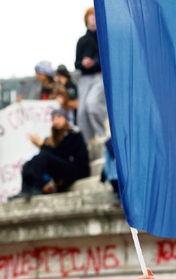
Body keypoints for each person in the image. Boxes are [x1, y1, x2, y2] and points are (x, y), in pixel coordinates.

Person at [13, 108, 89, 198]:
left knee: (44, 156)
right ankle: (25, 189)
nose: (56, 121)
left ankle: (36, 188)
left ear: (65, 118)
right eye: (53, 118)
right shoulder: (56, 136)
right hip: (66, 168)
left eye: (59, 117)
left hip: (77, 171)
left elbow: (62, 154)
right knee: (28, 163)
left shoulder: (73, 133)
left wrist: (42, 145)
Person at [75, 8, 109, 144]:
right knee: (82, 112)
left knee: (92, 103)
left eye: (95, 16)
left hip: (99, 76)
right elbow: (76, 63)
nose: (93, 18)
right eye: (91, 16)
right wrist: (83, 63)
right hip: (85, 78)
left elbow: (108, 60)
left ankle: (103, 135)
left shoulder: (104, 38)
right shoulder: (82, 41)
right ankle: (89, 142)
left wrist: (95, 62)